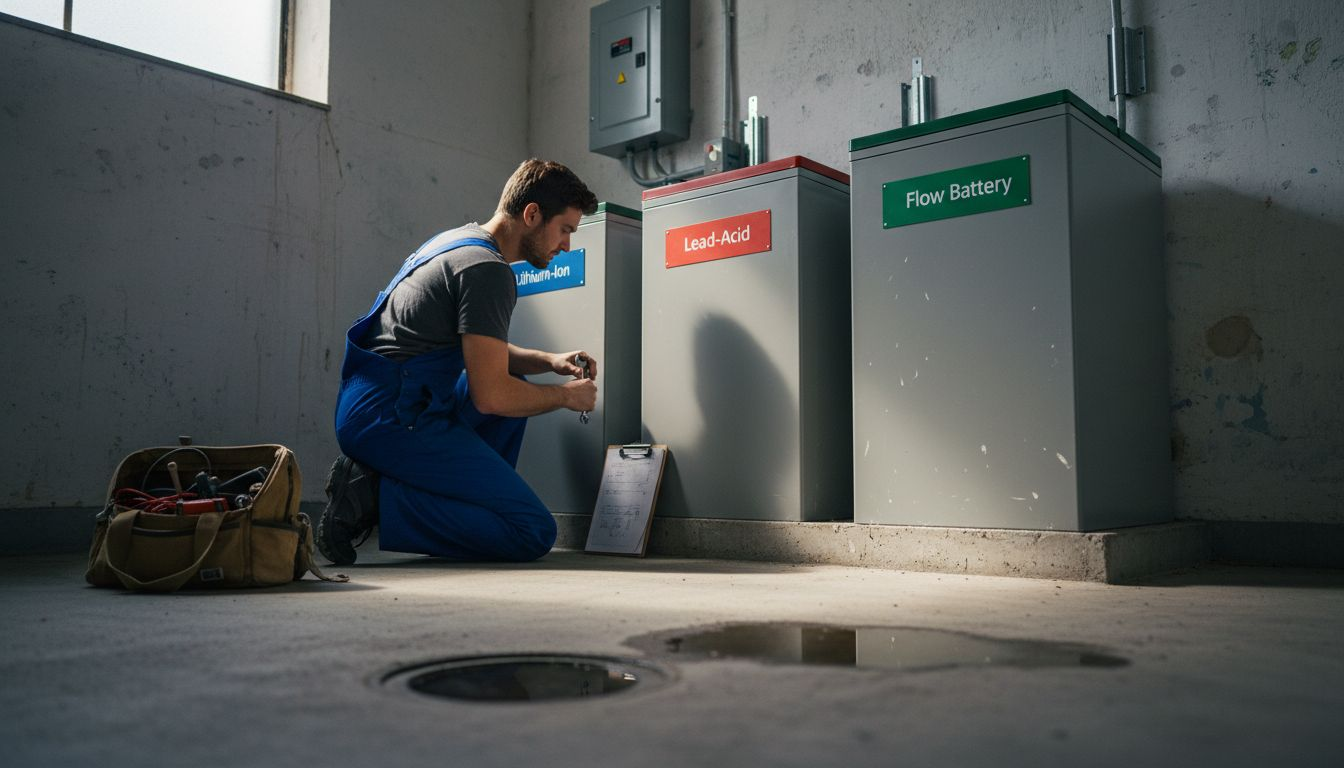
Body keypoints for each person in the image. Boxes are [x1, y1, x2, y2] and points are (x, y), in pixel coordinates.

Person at [317, 159, 600, 565]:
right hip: (393, 415)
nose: (567, 245)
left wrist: (549, 361)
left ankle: (465, 499)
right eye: (565, 229)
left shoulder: (461, 242)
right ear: (532, 214)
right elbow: (491, 397)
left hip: (379, 401)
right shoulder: (489, 272)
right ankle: (372, 497)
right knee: (532, 531)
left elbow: (482, 355)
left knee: (511, 378)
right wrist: (566, 397)